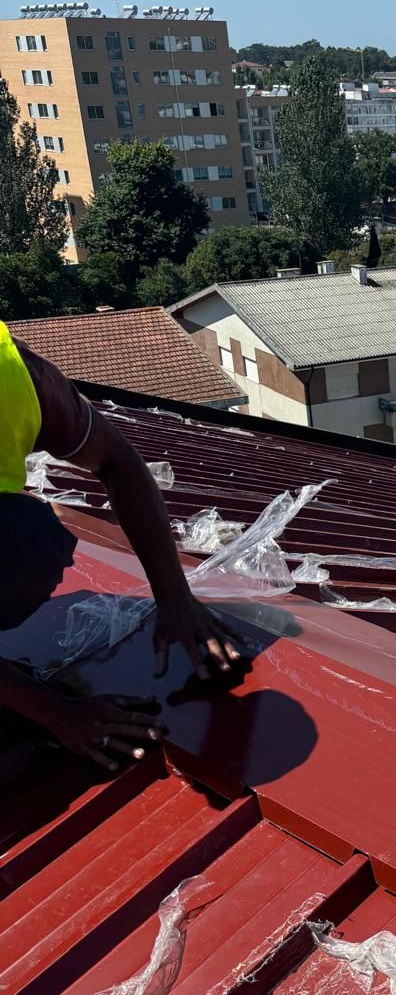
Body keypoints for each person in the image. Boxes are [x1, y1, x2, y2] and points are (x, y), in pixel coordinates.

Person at [0, 321, 243, 772]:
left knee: (27, 541)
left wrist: (174, 596)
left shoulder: (14, 375)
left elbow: (117, 460)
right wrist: (56, 712)